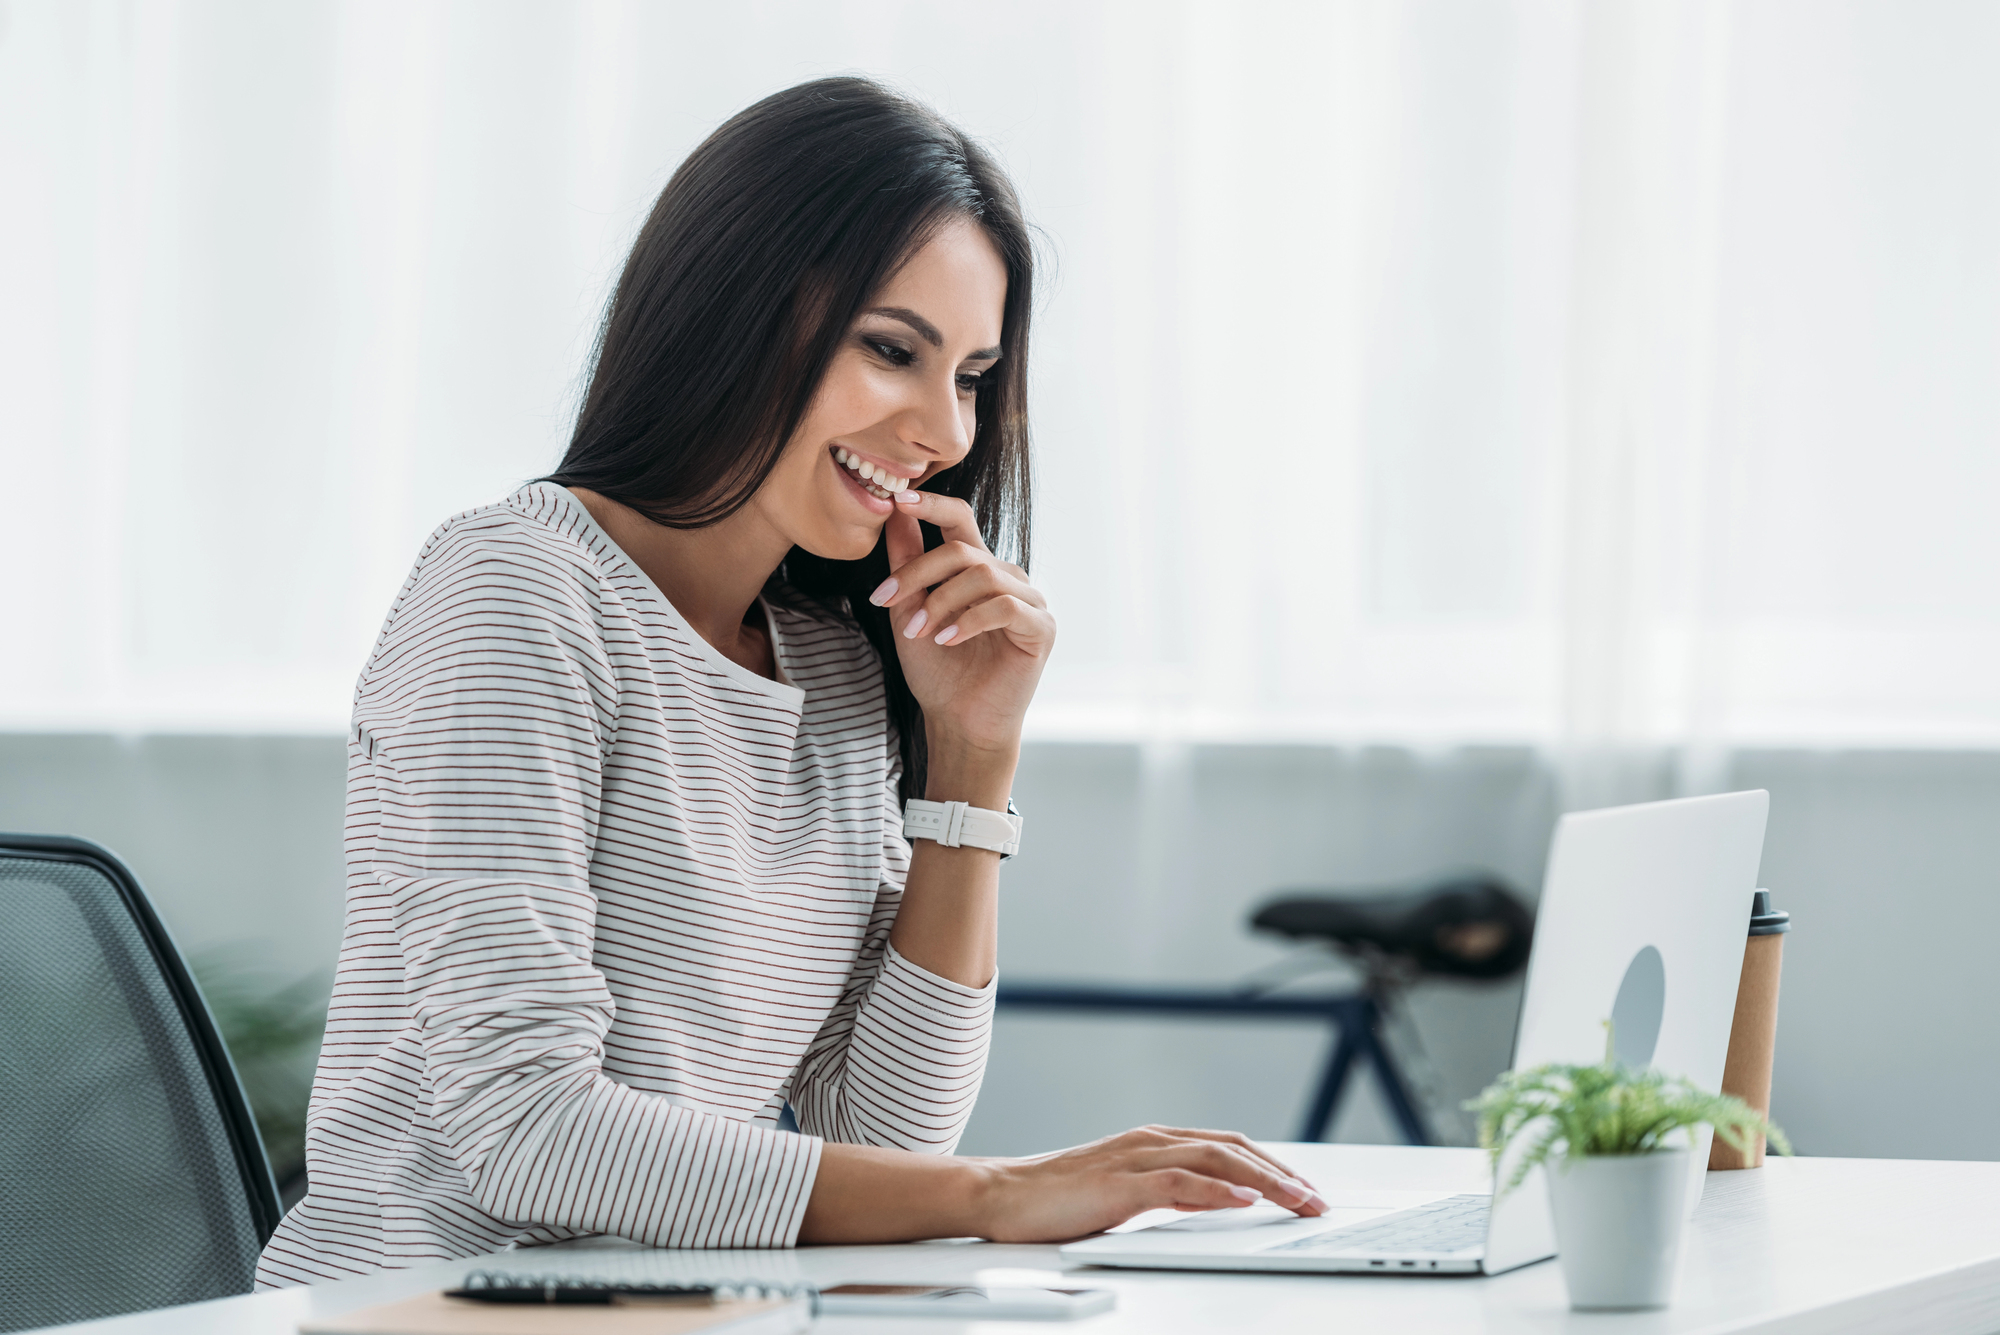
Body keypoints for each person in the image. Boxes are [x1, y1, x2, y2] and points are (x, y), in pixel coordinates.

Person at [256, 76, 1326, 1286]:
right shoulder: (516, 593)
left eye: (970, 374)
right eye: (891, 350)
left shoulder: (833, 658)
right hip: (426, 1309)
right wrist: (1003, 1194)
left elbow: (875, 1144)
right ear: (732, 306)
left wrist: (971, 761)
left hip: (676, 1311)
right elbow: (527, 1136)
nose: (946, 430)